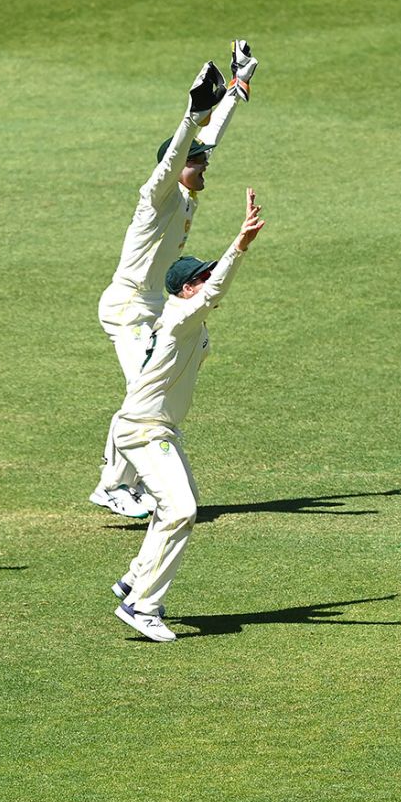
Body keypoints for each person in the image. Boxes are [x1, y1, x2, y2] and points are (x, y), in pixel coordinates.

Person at [92, 40, 259, 519]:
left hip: (151, 307)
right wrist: (192, 116)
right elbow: (174, 160)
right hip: (127, 308)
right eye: (196, 161)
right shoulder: (156, 198)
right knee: (144, 392)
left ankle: (120, 483)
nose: (205, 165)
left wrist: (236, 88)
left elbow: (210, 141)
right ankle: (113, 486)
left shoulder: (187, 193)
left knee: (148, 391)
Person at [110, 188, 265, 642]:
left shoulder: (190, 321)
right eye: (203, 277)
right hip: (142, 430)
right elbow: (215, 290)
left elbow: (211, 293)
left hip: (158, 428)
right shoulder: (179, 318)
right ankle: (142, 606)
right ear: (186, 289)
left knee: (175, 506)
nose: (210, 280)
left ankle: (135, 577)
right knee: (182, 510)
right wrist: (239, 244)